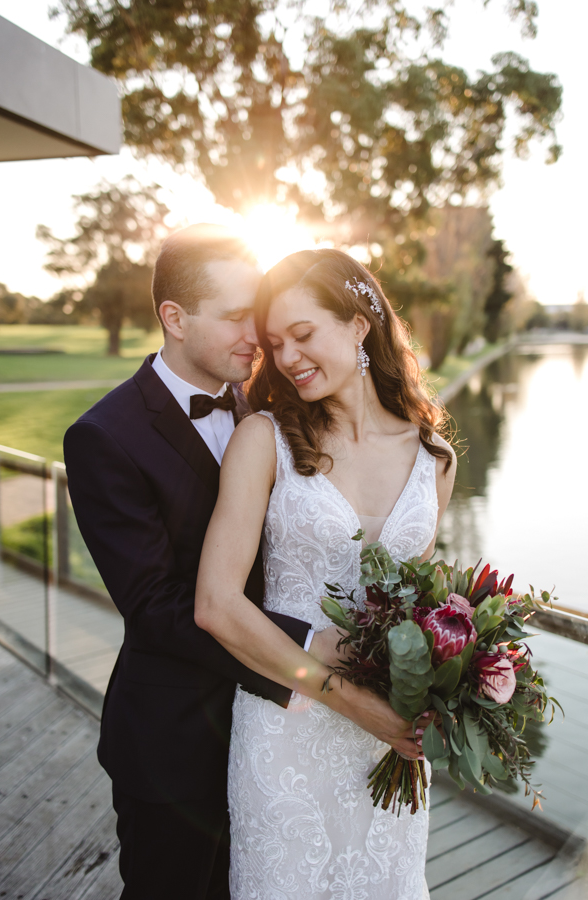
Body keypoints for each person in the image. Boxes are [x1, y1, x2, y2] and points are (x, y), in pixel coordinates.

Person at [64, 227, 422, 900]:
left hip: (294, 736)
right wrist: (316, 649)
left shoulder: (274, 405)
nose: (259, 341)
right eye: (236, 319)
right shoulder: (103, 438)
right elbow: (157, 606)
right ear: (175, 317)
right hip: (179, 741)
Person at [195, 248, 457, 900]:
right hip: (284, 731)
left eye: (303, 335)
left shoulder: (435, 459)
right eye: (276, 343)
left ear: (359, 325)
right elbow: (217, 604)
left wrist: (451, 674)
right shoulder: (265, 440)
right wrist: (347, 698)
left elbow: (416, 610)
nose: (286, 358)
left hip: (383, 749)